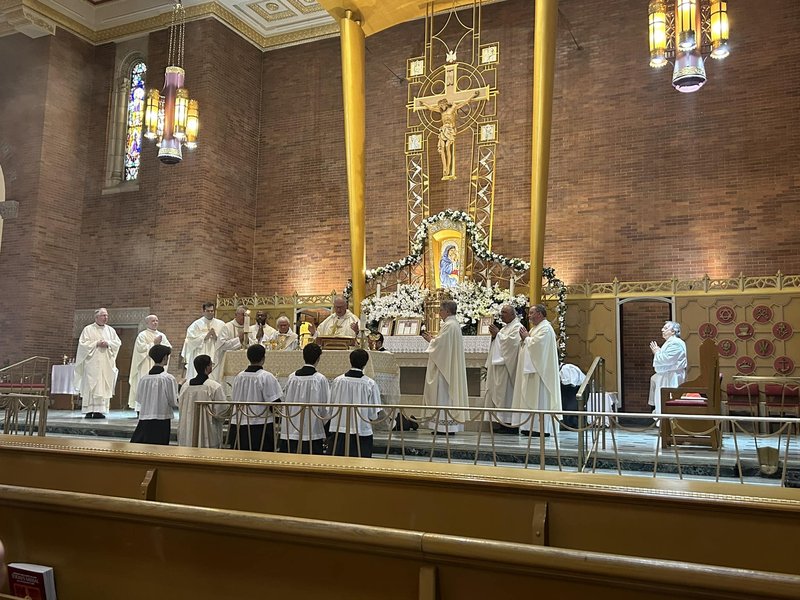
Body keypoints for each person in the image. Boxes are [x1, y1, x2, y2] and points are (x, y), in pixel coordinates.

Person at [510, 304, 562, 437]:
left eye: (532, 313)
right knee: (529, 397)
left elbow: (537, 347)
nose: (529, 316)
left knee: (539, 398)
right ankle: (528, 426)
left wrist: (527, 338)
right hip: (531, 372)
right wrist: (526, 339)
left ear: (540, 314)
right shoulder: (536, 329)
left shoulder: (546, 329)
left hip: (540, 374)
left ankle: (540, 428)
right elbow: (528, 343)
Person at [421, 300, 468, 434]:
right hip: (447, 365)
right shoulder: (453, 324)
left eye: (441, 310)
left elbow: (441, 346)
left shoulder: (450, 325)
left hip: (444, 370)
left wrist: (431, 340)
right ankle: (443, 426)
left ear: (447, 311)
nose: (439, 313)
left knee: (443, 395)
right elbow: (444, 344)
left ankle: (444, 427)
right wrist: (434, 340)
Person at [327, 349, 383, 458]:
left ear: (350, 360)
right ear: (365, 363)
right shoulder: (370, 383)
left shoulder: (338, 381)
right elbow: (373, 414)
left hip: (339, 429)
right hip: (361, 430)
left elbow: (331, 406)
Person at [417, 90, 481, 180]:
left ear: (446, 104)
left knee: (447, 147)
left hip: (450, 130)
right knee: (442, 149)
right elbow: (431, 108)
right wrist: (423, 103)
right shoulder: (441, 112)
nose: (441, 107)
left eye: (442, 105)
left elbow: (463, 103)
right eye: (440, 106)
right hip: (443, 130)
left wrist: (472, 96)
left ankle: (448, 165)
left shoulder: (452, 109)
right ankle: (444, 167)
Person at [228, 344, 282, 452]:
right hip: (260, 425)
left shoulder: (239, 376)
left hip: (239, 423)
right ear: (263, 358)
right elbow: (274, 402)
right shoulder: (266, 377)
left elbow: (234, 398)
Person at [279, 343, 330, 454]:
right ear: (318, 358)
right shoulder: (320, 379)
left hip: (291, 426)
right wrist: (326, 425)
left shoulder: (292, 377)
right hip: (312, 428)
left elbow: (285, 399)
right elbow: (324, 406)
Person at [74, 307, 122, 419]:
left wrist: (108, 343)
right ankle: (89, 410)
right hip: (92, 364)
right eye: (103, 315)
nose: (106, 317)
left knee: (103, 384)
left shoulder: (110, 330)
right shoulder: (88, 329)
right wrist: (96, 343)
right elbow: (82, 344)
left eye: (106, 315)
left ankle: (100, 411)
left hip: (106, 364)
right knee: (92, 384)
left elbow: (117, 343)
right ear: (96, 317)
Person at [484, 305, 523, 433]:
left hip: (508, 369)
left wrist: (498, 334)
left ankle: (509, 424)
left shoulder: (517, 327)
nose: (502, 315)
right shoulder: (506, 327)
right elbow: (501, 342)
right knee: (500, 396)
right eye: (501, 312)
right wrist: (496, 336)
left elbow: (513, 345)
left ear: (513, 315)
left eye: (505, 312)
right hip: (500, 367)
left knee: (507, 396)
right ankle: (502, 423)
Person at [130, 345, 178, 445]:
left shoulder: (144, 379)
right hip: (162, 418)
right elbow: (173, 401)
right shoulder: (168, 378)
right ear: (165, 358)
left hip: (145, 418)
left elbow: (139, 399)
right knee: (159, 448)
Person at [177, 354, 228, 448]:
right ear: (207, 367)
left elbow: (180, 406)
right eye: (210, 364)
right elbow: (221, 410)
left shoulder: (185, 386)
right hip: (207, 427)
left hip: (188, 426)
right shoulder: (214, 386)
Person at [128, 314, 171, 411]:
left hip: (158, 365)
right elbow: (140, 349)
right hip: (145, 365)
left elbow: (168, 348)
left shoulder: (162, 335)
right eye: (153, 321)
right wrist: (154, 344)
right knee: (145, 386)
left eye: (156, 321)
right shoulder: (142, 335)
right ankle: (141, 408)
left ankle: (156, 407)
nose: (155, 323)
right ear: (147, 323)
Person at [648, 320, 687, 413]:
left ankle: (668, 423)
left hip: (671, 377)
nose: (662, 330)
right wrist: (658, 351)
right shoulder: (670, 342)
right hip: (667, 375)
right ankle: (662, 421)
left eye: (665, 328)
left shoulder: (675, 343)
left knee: (668, 402)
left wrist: (657, 351)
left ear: (673, 331)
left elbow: (666, 360)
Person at [181, 302, 224, 381]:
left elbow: (225, 339)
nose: (210, 313)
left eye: (212, 311)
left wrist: (216, 337)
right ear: (203, 311)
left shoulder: (221, 324)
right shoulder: (196, 324)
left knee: (215, 375)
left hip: (215, 352)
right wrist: (205, 337)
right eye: (208, 311)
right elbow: (190, 340)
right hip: (201, 352)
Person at [214, 305, 248, 381]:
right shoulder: (227, 327)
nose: (245, 317)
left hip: (244, 361)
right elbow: (222, 345)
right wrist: (239, 339)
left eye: (246, 315)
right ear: (236, 315)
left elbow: (253, 343)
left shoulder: (247, 328)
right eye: (243, 315)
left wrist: (247, 340)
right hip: (228, 363)